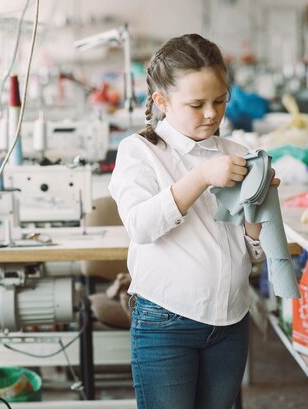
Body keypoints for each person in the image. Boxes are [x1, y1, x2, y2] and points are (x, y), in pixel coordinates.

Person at [109, 33, 277, 409]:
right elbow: (141, 226)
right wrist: (201, 177)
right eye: (196, 104)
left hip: (231, 320)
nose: (211, 114)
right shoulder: (140, 152)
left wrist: (256, 208)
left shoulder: (236, 153)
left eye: (219, 101)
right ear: (162, 102)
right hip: (165, 323)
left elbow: (254, 253)